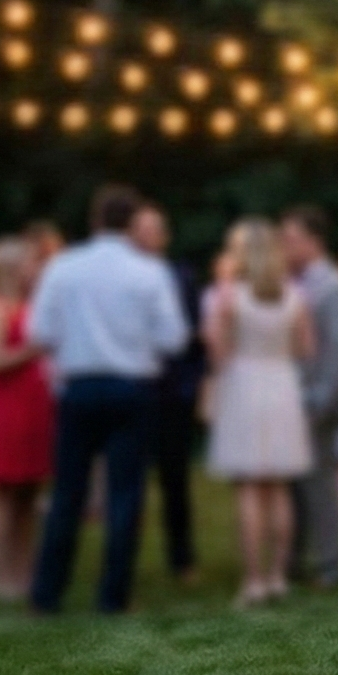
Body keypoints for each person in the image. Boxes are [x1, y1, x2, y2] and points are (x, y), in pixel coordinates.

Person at [25, 186, 189, 614]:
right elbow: (173, 338)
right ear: (134, 224)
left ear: (94, 220)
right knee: (124, 494)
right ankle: (113, 597)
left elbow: (39, 332)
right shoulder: (150, 272)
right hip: (132, 388)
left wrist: (74, 343)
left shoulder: (64, 266)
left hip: (78, 387)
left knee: (67, 493)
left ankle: (47, 593)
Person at [205, 219, 314, 608]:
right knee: (280, 488)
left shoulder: (229, 295)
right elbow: (306, 350)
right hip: (282, 385)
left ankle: (253, 581)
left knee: (250, 487)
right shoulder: (295, 295)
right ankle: (278, 578)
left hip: (244, 385)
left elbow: (218, 355)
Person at [0, 236, 53, 600]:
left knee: (28, 492)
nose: (38, 269)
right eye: (31, 263)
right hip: (3, 406)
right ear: (12, 267)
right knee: (4, 491)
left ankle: (25, 569)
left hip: (34, 405)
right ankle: (2, 575)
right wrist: (33, 350)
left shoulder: (31, 304)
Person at [278, 206, 338, 587]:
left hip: (318, 400)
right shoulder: (293, 282)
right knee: (294, 484)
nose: (283, 245)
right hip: (294, 397)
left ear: (313, 242)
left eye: (290, 239)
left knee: (320, 486)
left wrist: (319, 399)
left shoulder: (333, 285)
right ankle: (294, 558)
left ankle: (331, 565)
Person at [132, 204, 207, 581]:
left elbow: (196, 336)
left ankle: (182, 558)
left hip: (172, 391)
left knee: (175, 479)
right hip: (131, 388)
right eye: (140, 230)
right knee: (129, 477)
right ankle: (125, 560)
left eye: (154, 229)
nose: (147, 236)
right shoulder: (120, 277)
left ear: (165, 236)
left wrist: (191, 386)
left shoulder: (181, 277)